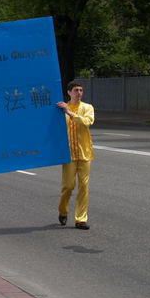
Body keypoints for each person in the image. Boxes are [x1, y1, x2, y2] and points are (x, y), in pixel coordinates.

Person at [56, 80, 95, 230]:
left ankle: (81, 219)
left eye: (81, 90)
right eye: (76, 90)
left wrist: (70, 113)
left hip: (85, 153)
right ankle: (63, 211)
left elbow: (87, 122)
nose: (79, 93)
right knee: (68, 186)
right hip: (69, 154)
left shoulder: (87, 108)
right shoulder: (61, 109)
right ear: (69, 92)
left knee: (84, 186)